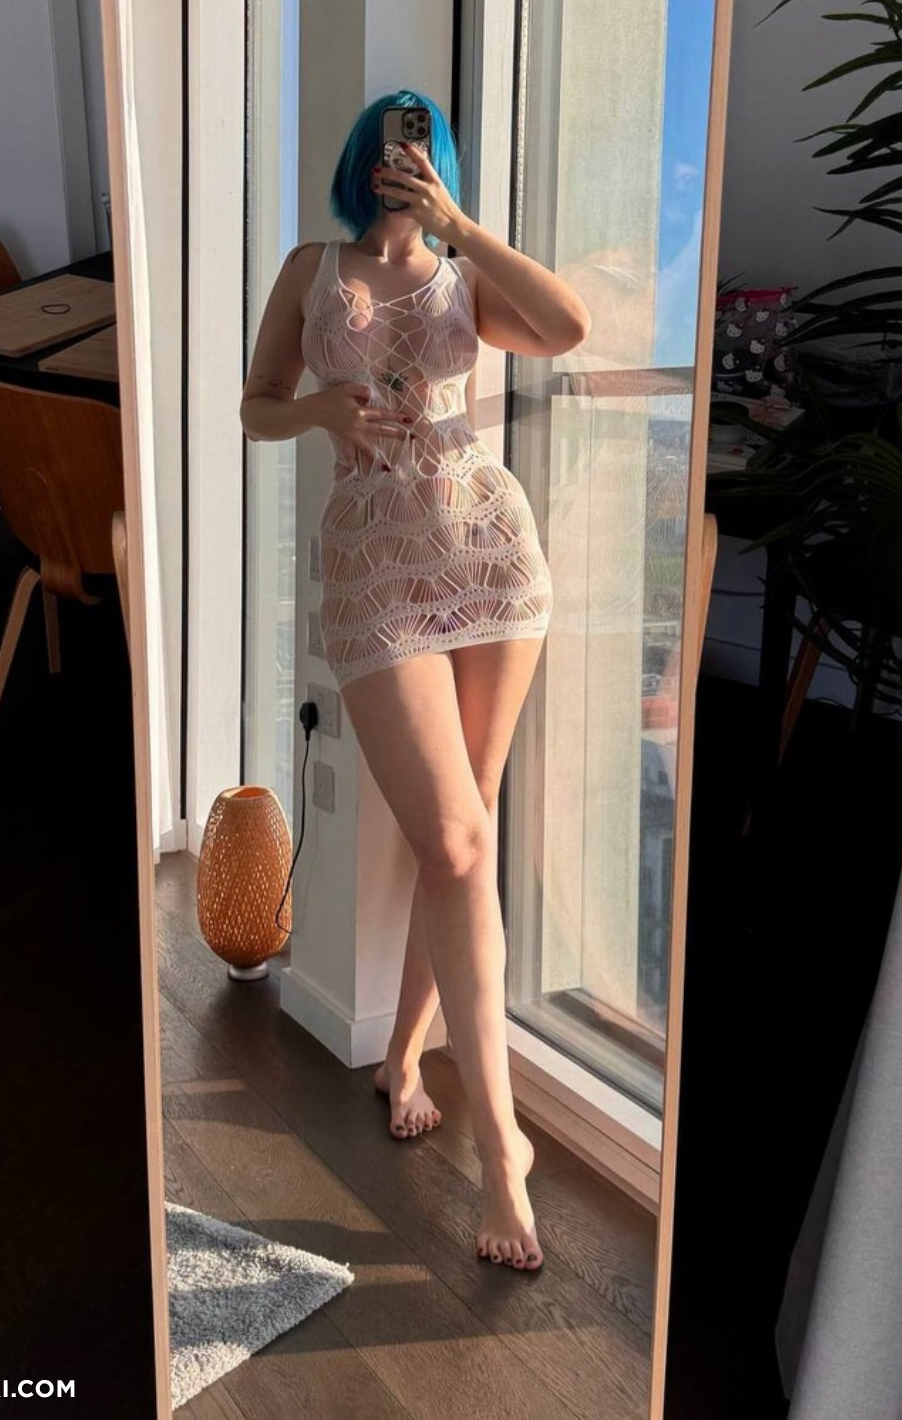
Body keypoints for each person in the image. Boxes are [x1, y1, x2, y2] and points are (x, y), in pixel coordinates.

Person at [240, 89, 590, 1273]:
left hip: (487, 549)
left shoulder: (463, 275)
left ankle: (404, 1060)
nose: (402, 163)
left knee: (460, 842)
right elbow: (252, 406)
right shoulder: (309, 267)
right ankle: (503, 1147)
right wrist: (316, 411)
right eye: (389, 148)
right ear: (361, 159)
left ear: (437, 162)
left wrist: (463, 225)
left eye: (421, 148)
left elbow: (568, 327)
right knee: (452, 841)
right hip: (372, 566)